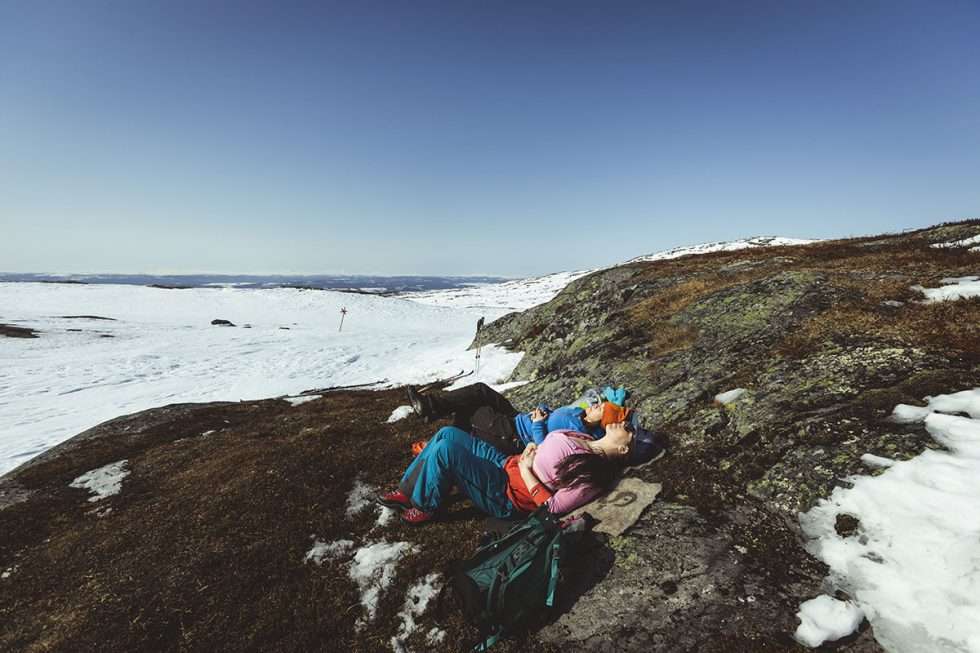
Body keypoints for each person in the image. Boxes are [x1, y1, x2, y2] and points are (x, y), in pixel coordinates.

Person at [378, 420, 664, 525]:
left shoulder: (594, 476)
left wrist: (528, 472)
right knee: (447, 433)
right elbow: (550, 450)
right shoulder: (585, 437)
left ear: (626, 450)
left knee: (445, 452)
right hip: (507, 463)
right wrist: (532, 448)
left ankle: (427, 505)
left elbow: (551, 508)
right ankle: (407, 491)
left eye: (629, 431)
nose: (624, 424)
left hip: (507, 494)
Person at [406, 382, 610, 455]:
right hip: (517, 421)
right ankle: (431, 411)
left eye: (600, 408)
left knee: (470, 404)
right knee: (480, 391)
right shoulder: (580, 418)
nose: (595, 405)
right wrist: (542, 411)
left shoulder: (578, 427)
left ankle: (431, 409)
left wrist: (538, 423)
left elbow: (547, 449)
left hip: (514, 435)